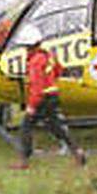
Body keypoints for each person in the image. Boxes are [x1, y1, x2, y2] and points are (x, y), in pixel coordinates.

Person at [14, 25, 85, 169]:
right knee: (56, 127)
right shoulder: (48, 55)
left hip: (42, 98)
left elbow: (37, 86)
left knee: (26, 127)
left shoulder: (35, 61)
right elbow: (59, 70)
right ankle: (77, 151)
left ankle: (24, 161)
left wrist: (32, 106)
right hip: (53, 95)